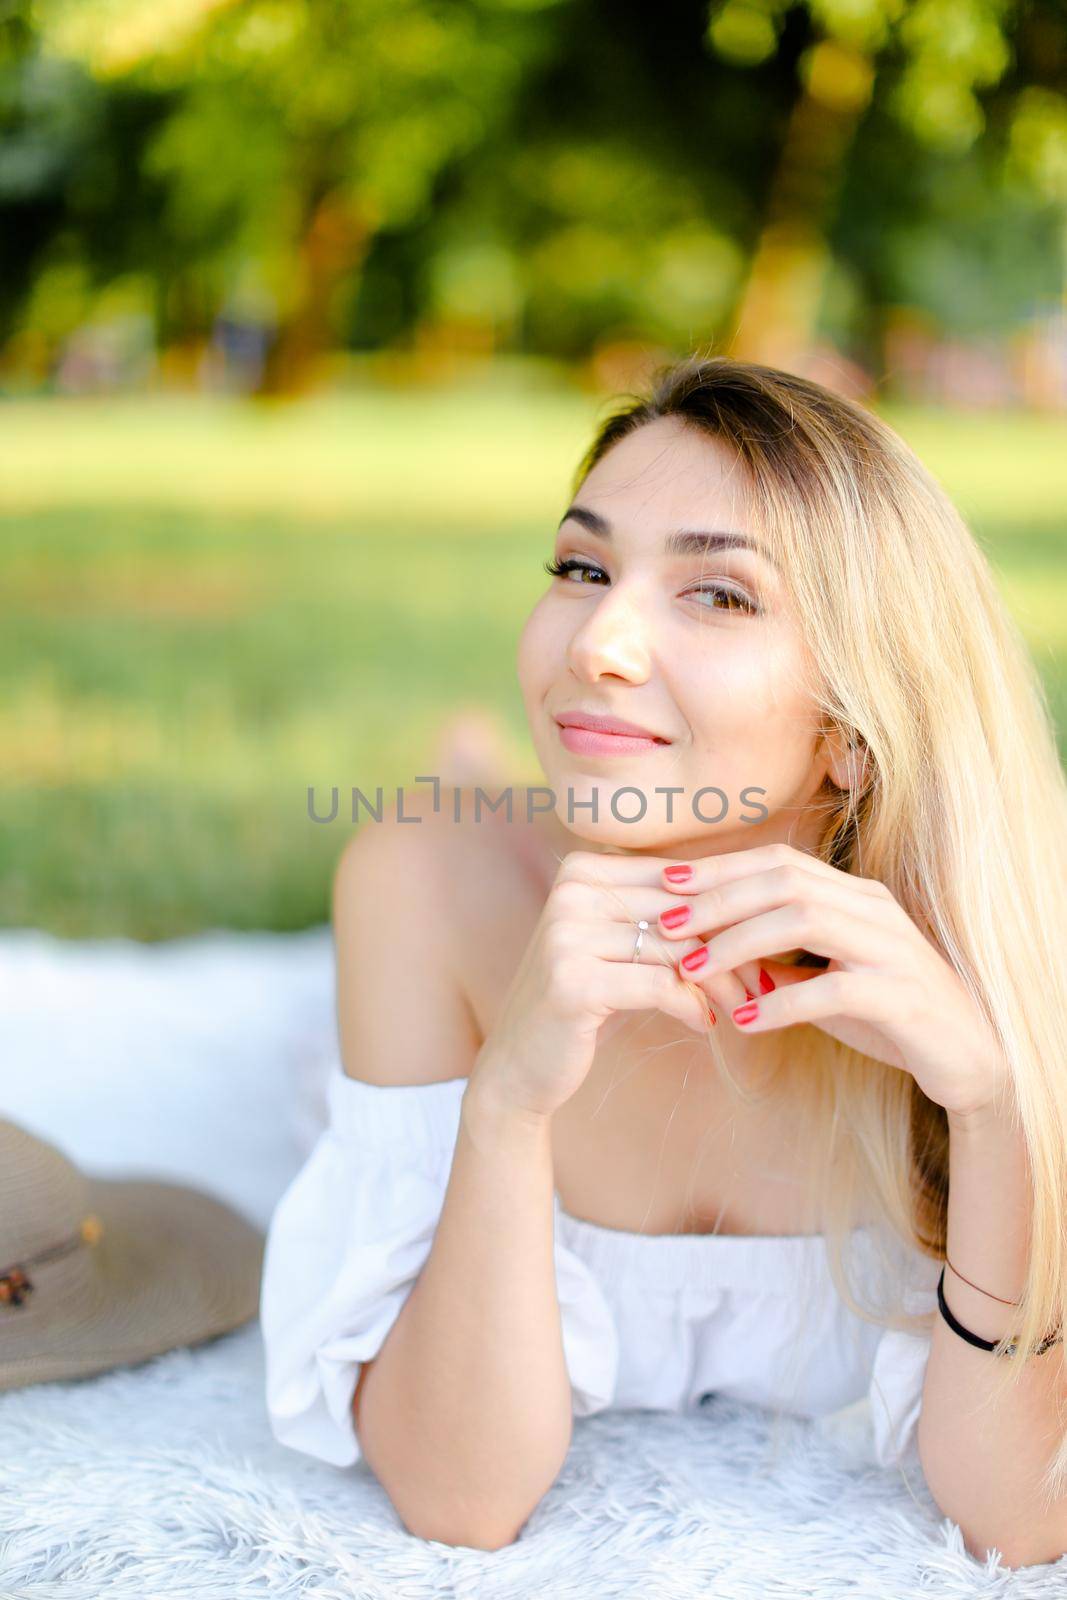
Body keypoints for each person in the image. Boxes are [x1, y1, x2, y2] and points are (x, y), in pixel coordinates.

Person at [259, 354, 1067, 1565]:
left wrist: (996, 1104)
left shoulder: (1003, 944)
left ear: (850, 736)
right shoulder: (422, 884)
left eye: (719, 596)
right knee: (450, 811)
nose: (598, 643)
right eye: (582, 569)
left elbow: (1014, 1515)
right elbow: (458, 1499)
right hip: (476, 862)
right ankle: (468, 763)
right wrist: (505, 1103)